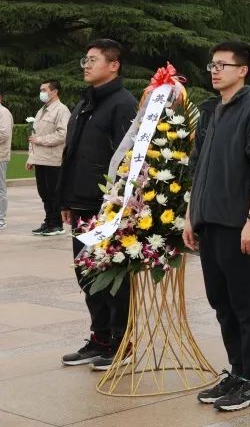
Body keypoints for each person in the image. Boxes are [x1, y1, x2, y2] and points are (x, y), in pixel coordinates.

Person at [187, 41, 250, 411]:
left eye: (223, 65)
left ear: (243, 70)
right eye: (213, 64)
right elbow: (197, 166)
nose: (215, 70)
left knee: (246, 303)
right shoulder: (211, 112)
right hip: (209, 221)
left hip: (240, 224)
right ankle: (237, 372)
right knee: (221, 302)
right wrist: (191, 215)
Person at [59, 39, 138, 370]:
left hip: (107, 207)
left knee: (112, 276)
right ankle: (100, 337)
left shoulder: (123, 104)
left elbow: (130, 160)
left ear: (114, 65)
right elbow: (72, 154)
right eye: (85, 60)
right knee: (87, 274)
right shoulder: (84, 103)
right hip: (80, 204)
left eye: (93, 60)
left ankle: (122, 342)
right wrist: (65, 199)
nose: (86, 65)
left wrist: (120, 207)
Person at [26, 80, 71, 236]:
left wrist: (40, 141)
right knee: (44, 193)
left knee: (53, 193)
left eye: (44, 89)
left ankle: (56, 224)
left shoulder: (62, 110)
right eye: (41, 90)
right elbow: (34, 136)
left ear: (54, 92)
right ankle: (49, 221)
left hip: (53, 159)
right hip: (40, 159)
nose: (42, 93)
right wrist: (31, 158)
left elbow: (62, 134)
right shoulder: (41, 110)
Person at [0, 88, 10, 231]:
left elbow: (4, 133)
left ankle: (1, 219)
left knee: (0, 189)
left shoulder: (3, 112)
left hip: (0, 156)